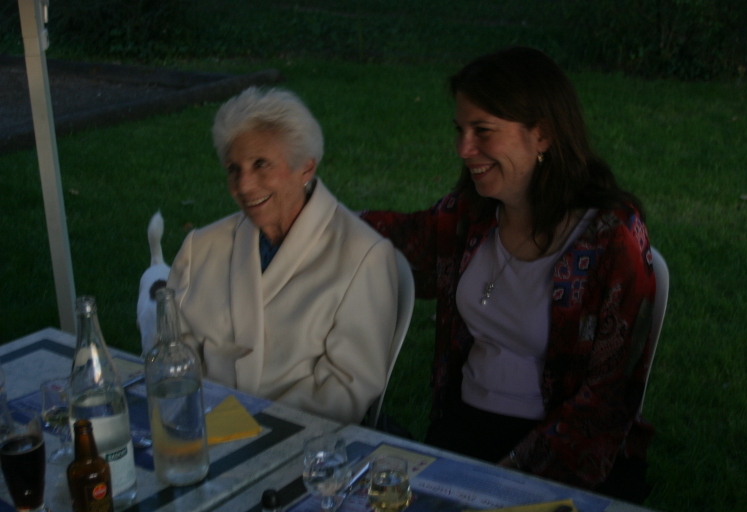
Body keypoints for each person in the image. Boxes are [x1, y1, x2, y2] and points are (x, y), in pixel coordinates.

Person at [361, 46, 656, 501]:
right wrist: (307, 203)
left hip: (566, 454)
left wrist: (509, 472)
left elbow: (607, 397)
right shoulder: (472, 215)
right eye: (460, 130)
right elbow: (393, 242)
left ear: (542, 134)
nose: (463, 149)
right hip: (464, 429)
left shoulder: (610, 238)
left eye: (483, 131)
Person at [167, 86, 399, 425]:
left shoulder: (364, 256)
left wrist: (246, 426)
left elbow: (347, 388)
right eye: (233, 168)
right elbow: (172, 350)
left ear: (305, 168)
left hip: (299, 438)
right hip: (201, 429)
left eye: (261, 164)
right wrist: (201, 421)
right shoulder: (200, 247)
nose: (244, 186)